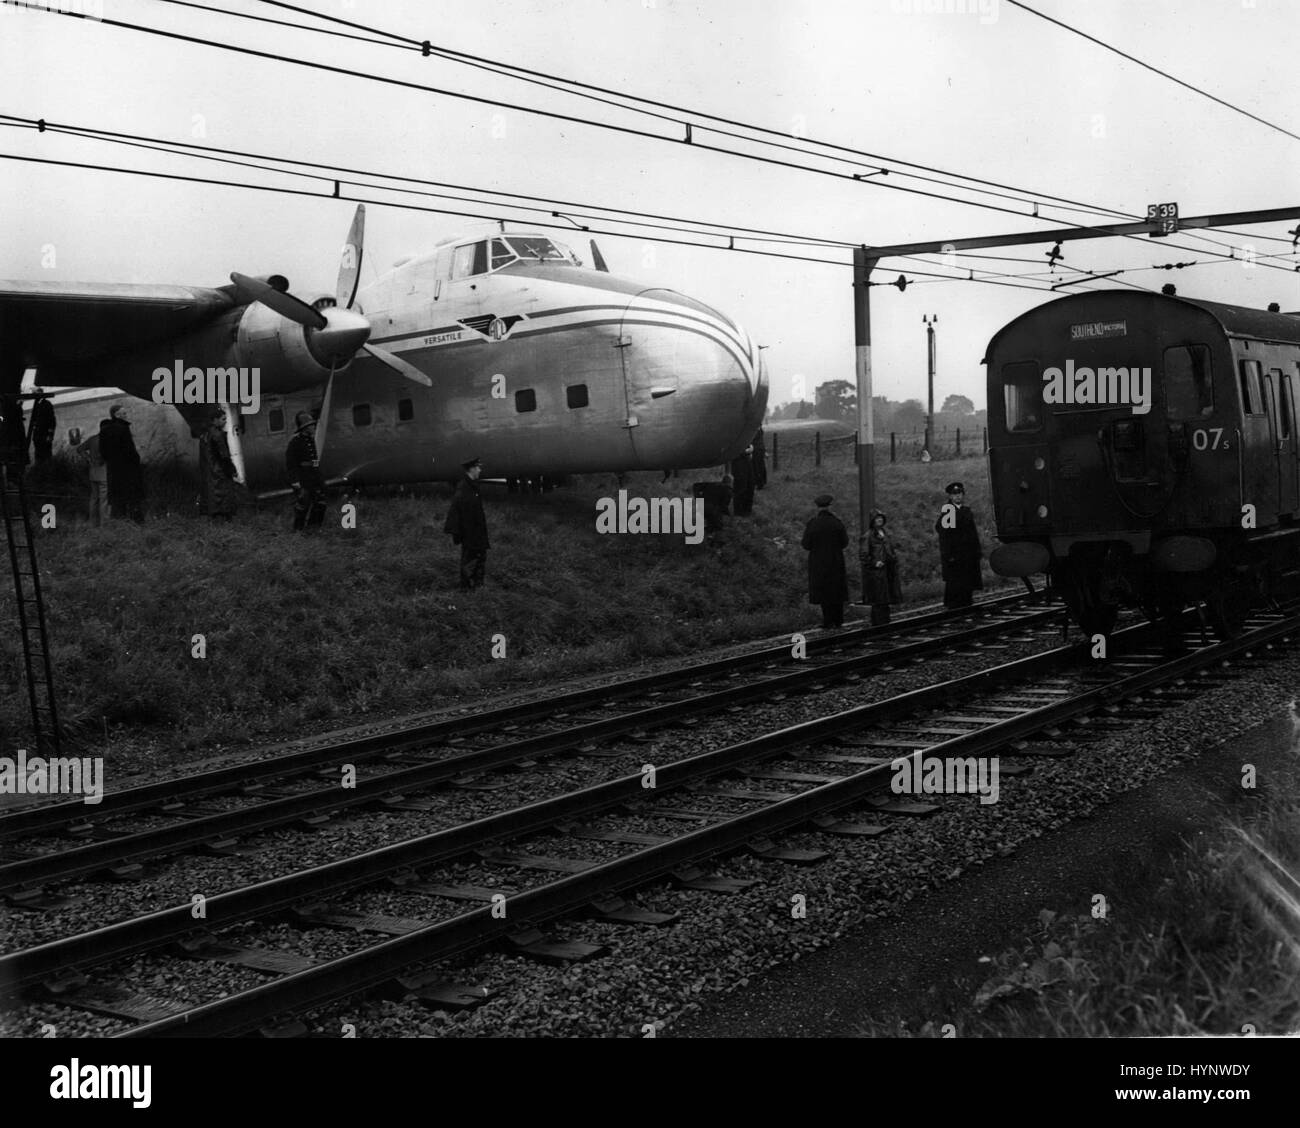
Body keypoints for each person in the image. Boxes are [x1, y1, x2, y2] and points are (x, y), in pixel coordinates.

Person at [802, 493, 849, 628]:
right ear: (830, 506)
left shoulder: (813, 524)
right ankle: (839, 620)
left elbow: (806, 544)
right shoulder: (837, 523)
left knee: (824, 592)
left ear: (817, 507)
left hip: (818, 563)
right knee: (837, 590)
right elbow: (845, 542)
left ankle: (827, 621)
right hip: (836, 561)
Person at [935, 481, 983, 608]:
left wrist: (977, 550)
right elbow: (944, 535)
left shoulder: (966, 511)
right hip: (955, 553)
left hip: (968, 552)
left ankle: (966, 602)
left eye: (960, 494)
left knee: (967, 578)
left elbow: (973, 532)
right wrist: (948, 554)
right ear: (950, 496)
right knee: (955, 580)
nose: (957, 496)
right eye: (954, 494)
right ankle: (954, 605)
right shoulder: (949, 511)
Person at [444, 456, 489, 589]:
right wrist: (458, 533)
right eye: (478, 468)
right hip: (470, 533)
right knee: (470, 560)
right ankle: (467, 588)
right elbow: (455, 511)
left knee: (480, 557)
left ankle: (478, 585)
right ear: (472, 469)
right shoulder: (464, 488)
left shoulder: (472, 486)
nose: (480, 470)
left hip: (478, 531)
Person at [99, 404, 145, 522]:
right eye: (124, 414)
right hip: (128, 469)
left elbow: (103, 451)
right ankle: (137, 521)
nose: (126, 416)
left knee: (117, 498)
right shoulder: (123, 428)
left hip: (113, 469)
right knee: (133, 496)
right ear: (117, 415)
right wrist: (136, 461)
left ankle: (119, 522)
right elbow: (130, 450)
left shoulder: (104, 430)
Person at [860, 509, 902, 626]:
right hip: (877, 572)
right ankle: (878, 623)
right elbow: (863, 555)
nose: (879, 520)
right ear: (872, 521)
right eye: (877, 518)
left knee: (886, 598)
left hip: (887, 569)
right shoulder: (868, 536)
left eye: (881, 518)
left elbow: (890, 549)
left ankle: (885, 621)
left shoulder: (885, 534)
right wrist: (874, 563)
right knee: (878, 599)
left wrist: (894, 559)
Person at [285, 411, 326, 531]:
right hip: (303, 478)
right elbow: (290, 463)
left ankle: (313, 528)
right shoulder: (295, 442)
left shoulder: (313, 441)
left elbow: (314, 460)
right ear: (304, 427)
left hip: (314, 476)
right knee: (303, 505)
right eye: (310, 425)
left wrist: (318, 474)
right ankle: (298, 530)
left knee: (320, 503)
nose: (313, 427)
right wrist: (294, 480)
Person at [199, 408, 239, 520]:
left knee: (212, 497)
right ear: (215, 420)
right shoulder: (218, 435)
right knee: (225, 496)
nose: (225, 421)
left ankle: (214, 518)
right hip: (219, 471)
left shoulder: (205, 435)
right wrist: (232, 469)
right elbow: (224, 456)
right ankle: (226, 519)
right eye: (223, 419)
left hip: (209, 472)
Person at [75, 426, 108, 527]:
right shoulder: (106, 440)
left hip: (93, 472)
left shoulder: (92, 439)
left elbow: (79, 449)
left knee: (94, 498)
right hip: (104, 472)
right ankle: (104, 524)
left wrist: (88, 459)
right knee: (104, 500)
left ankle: (93, 523)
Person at [27, 389, 55, 463]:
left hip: (44, 435)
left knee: (46, 455)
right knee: (39, 455)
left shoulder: (46, 404)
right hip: (38, 436)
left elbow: (52, 421)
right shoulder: (37, 404)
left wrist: (50, 435)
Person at [730, 447, 756, 516]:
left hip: (747, 459)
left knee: (750, 485)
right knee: (741, 487)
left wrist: (750, 448)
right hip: (738, 461)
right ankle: (739, 513)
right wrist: (746, 451)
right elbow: (733, 449)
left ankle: (747, 511)